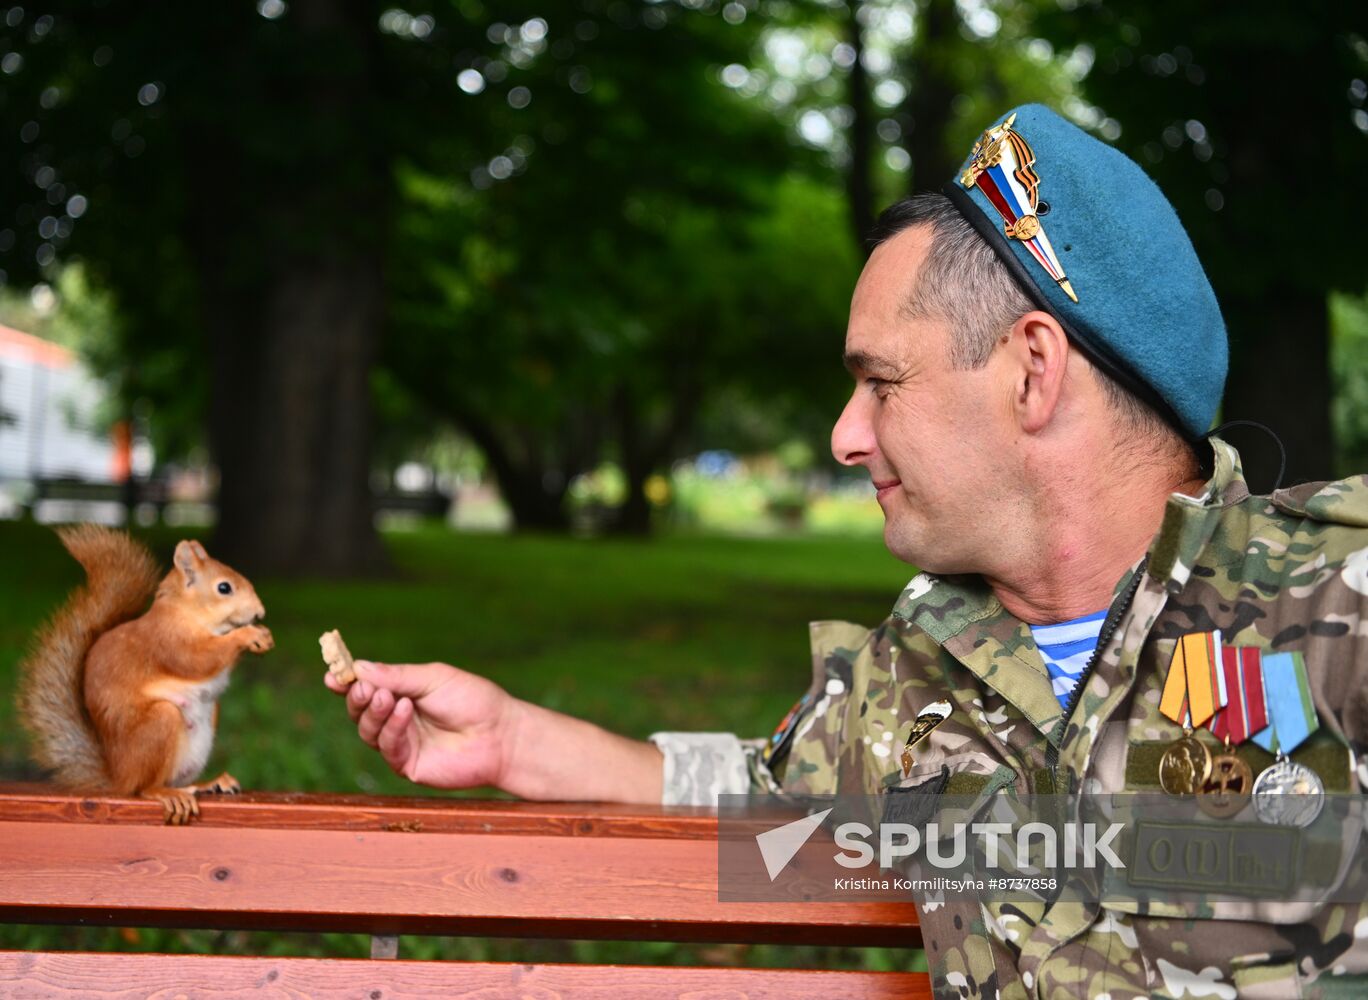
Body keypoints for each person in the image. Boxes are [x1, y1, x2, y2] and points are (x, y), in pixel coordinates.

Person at [329, 104, 1368, 997]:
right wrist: (513, 740)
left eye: (882, 381)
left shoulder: (1337, 605)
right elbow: (757, 793)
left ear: (1032, 372)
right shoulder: (917, 669)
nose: (844, 434)